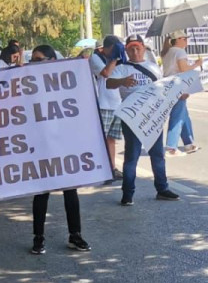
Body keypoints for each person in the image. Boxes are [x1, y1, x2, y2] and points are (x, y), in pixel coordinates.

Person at [28, 45, 90, 254]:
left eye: (39, 60)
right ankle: (38, 238)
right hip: (40, 143)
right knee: (42, 192)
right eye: (32, 60)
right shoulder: (27, 83)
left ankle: (75, 235)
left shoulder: (64, 82)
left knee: (70, 190)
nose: (34, 64)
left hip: (64, 142)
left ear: (52, 60)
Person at [107, 35, 180, 204]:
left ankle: (162, 189)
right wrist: (123, 81)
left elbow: (163, 87)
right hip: (132, 117)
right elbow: (109, 83)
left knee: (157, 154)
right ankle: (128, 194)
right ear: (126, 50)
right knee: (132, 156)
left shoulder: (153, 67)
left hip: (152, 116)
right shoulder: (122, 68)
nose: (135, 51)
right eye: (131, 48)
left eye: (138, 48)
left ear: (143, 48)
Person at [161, 32, 202, 156]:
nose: (186, 41)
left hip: (168, 85)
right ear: (177, 40)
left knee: (183, 114)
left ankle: (189, 143)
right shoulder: (179, 52)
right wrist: (197, 64)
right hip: (178, 85)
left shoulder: (167, 52)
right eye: (184, 38)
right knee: (178, 116)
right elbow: (183, 69)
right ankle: (171, 147)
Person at [90, 35, 125, 181]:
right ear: (106, 48)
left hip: (116, 103)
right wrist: (114, 58)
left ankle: (111, 168)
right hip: (102, 103)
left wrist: (119, 57)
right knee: (100, 139)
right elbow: (105, 74)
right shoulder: (95, 57)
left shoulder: (117, 59)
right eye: (113, 49)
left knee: (111, 139)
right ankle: (99, 169)